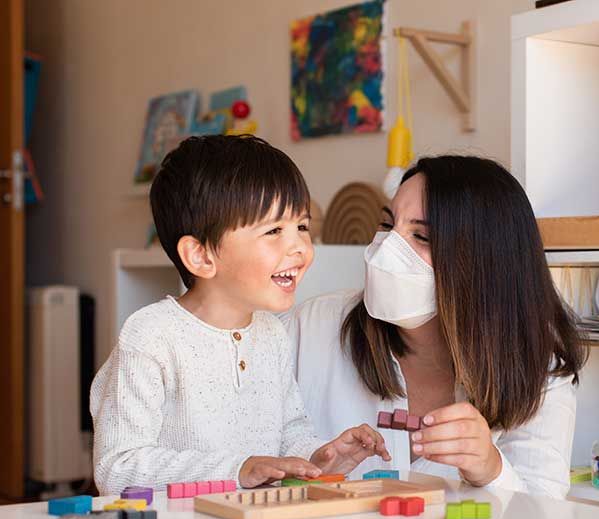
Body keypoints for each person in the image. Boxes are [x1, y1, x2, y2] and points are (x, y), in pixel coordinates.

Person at [91, 135, 389, 495]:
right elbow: (118, 467)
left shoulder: (270, 333)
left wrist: (319, 457)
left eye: (302, 227)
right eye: (275, 230)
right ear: (201, 256)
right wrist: (239, 469)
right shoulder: (151, 336)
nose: (300, 247)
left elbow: (287, 434)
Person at [283, 155, 585, 499]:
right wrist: (308, 471)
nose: (386, 250)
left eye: (421, 236)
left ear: (484, 262)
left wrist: (490, 468)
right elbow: (241, 462)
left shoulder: (538, 366)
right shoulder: (311, 326)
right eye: (387, 226)